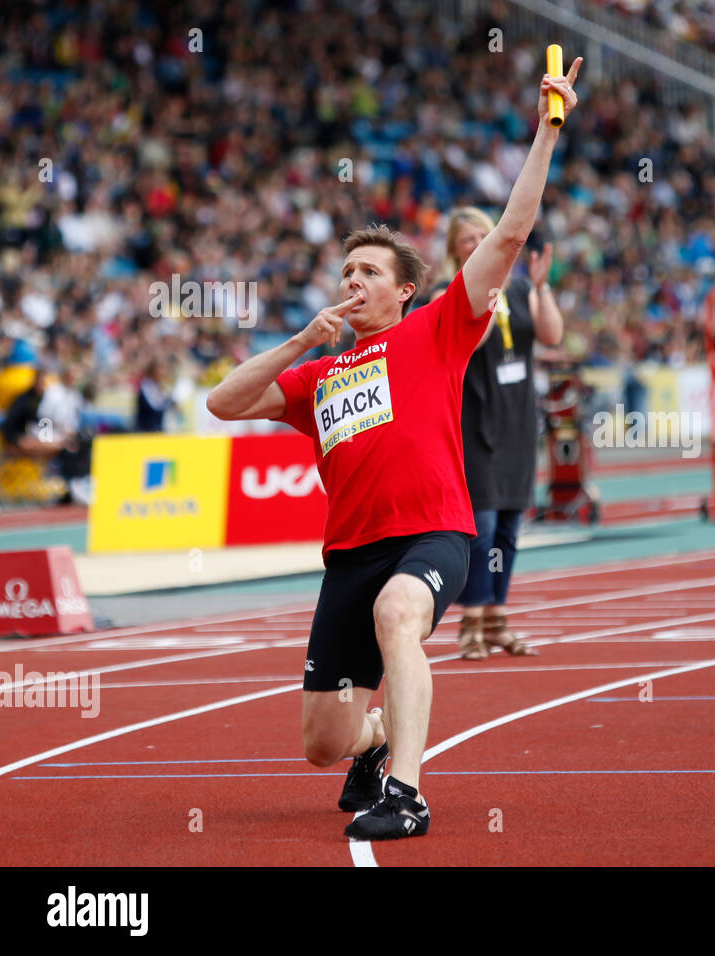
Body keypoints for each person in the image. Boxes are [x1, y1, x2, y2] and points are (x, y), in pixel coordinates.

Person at [205, 58, 582, 839]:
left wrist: (548, 128)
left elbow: (511, 232)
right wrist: (298, 341)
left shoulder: (437, 329)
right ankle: (374, 748)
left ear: (404, 288)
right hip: (349, 551)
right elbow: (223, 401)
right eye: (345, 271)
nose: (353, 281)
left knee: (400, 610)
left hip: (434, 531)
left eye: (369, 271)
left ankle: (407, 794)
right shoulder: (319, 372)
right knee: (322, 742)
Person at [432, 208, 563, 660]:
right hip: (471, 422)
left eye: (485, 236)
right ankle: (471, 620)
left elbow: (551, 334)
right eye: (468, 240)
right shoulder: (447, 293)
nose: (478, 245)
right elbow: (472, 339)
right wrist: (492, 289)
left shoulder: (521, 286)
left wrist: (540, 287)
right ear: (454, 249)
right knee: (480, 526)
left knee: (509, 525)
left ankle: (497, 619)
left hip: (517, 422)